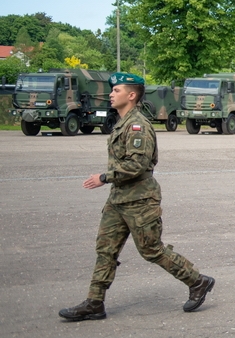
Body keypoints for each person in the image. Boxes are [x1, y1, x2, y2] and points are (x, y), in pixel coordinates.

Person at [59, 73, 214, 321]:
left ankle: (197, 281)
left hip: (140, 200)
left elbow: (137, 166)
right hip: (118, 199)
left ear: (131, 95)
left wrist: (103, 177)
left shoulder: (137, 125)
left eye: (117, 90)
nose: (111, 94)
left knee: (151, 250)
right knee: (105, 250)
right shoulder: (122, 122)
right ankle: (94, 302)